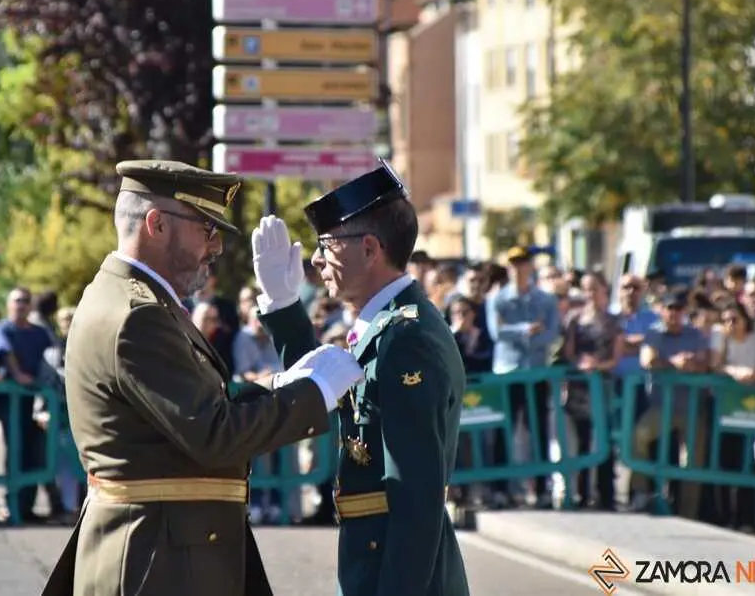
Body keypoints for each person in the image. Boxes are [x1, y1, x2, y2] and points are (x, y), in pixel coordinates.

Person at [41, 159, 364, 596]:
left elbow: (198, 406)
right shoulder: (139, 316)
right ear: (156, 224)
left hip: (167, 550)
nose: (214, 248)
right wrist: (315, 391)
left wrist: (277, 388)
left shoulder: (139, 301)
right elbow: (214, 434)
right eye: (205, 230)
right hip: (159, 560)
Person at [251, 161, 470, 596]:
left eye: (327, 244)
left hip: (393, 566)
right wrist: (283, 305)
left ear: (369, 249)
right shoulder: (385, 326)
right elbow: (326, 390)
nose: (316, 258)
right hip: (369, 556)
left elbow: (416, 498)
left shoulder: (406, 337)